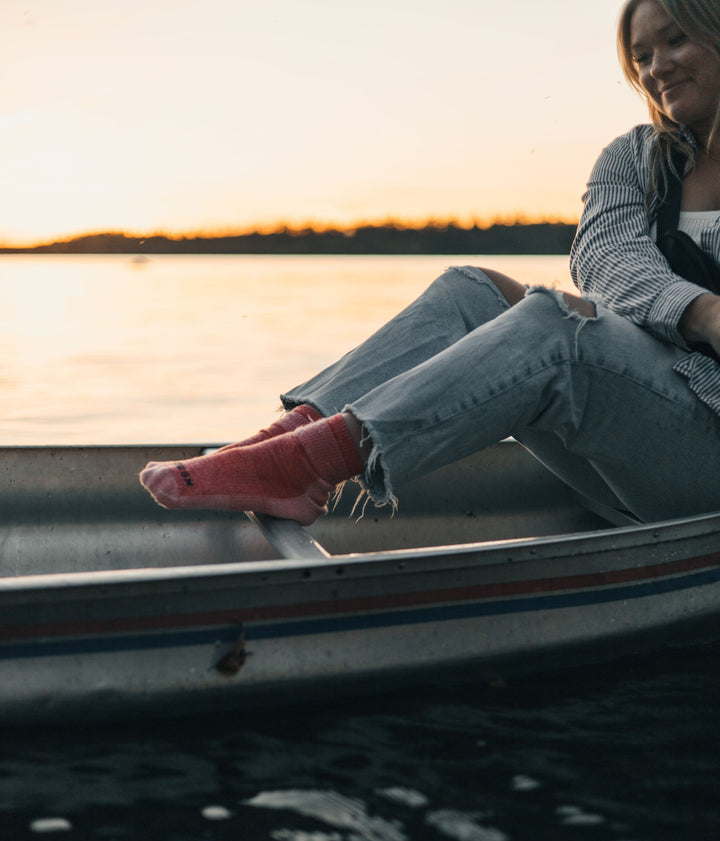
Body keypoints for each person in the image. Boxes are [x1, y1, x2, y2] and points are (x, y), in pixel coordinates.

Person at [141, 0, 720, 526]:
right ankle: (281, 442)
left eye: (675, 42)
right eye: (640, 56)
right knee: (471, 291)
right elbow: (606, 258)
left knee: (557, 331)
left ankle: (304, 464)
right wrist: (704, 312)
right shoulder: (636, 156)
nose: (656, 68)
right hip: (636, 442)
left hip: (705, 470)